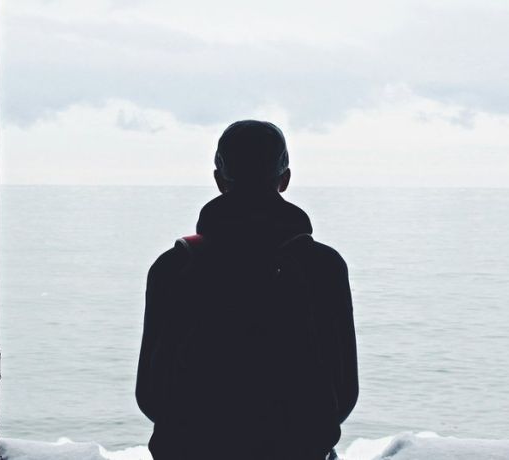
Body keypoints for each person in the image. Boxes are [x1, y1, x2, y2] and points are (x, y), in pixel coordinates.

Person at [135, 120, 359, 460]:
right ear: (285, 179)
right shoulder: (324, 266)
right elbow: (343, 393)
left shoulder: (173, 266)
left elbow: (150, 395)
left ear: (219, 180)